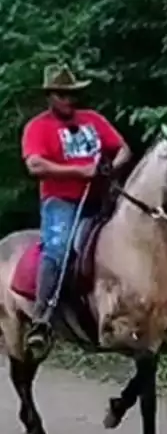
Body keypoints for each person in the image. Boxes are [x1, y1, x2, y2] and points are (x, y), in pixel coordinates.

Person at [21, 63, 132, 355]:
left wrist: (111, 166)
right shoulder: (38, 127)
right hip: (61, 201)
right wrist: (79, 171)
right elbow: (35, 165)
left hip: (100, 198)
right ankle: (41, 318)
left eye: (71, 94)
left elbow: (123, 149)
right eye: (62, 94)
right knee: (58, 249)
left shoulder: (93, 120)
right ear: (49, 96)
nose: (68, 100)